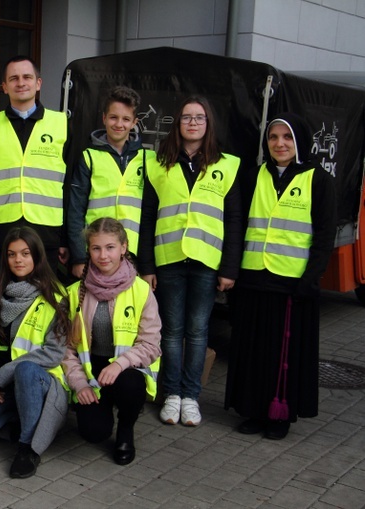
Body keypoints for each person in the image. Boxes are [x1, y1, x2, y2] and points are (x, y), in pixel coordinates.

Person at [225, 113, 336, 440]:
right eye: (273, 138)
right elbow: (239, 225)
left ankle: (279, 415)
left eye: (286, 138)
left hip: (292, 283)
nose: (279, 144)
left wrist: (311, 279)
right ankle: (253, 410)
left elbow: (325, 235)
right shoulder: (253, 176)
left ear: (298, 142)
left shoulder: (317, 179)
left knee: (283, 355)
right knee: (252, 349)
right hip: (253, 278)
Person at [138, 96, 241, 427]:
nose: (193, 123)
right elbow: (148, 216)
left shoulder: (227, 165)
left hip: (206, 263)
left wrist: (229, 268)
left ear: (208, 123)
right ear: (177, 123)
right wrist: (148, 266)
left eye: (199, 118)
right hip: (169, 260)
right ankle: (170, 394)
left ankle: (190, 397)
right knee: (170, 332)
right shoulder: (158, 163)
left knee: (198, 331)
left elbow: (235, 220)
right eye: (186, 117)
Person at [0, 226, 70, 479]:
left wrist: (3, 374)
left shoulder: (56, 296)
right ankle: (23, 415)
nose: (18, 260)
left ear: (37, 256)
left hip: (42, 382)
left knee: (25, 369)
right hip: (4, 385)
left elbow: (54, 353)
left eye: (25, 253)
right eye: (12, 254)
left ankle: (27, 448)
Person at [63, 218, 161, 465]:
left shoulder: (141, 290)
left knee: (130, 385)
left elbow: (151, 344)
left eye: (110, 247)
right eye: (96, 248)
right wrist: (79, 385)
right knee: (94, 434)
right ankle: (103, 405)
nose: (103, 255)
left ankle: (126, 430)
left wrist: (120, 364)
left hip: (126, 370)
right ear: (88, 250)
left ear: (124, 248)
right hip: (91, 373)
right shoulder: (75, 292)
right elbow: (64, 348)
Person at [0, 56, 69, 282]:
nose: (20, 83)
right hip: (0, 236)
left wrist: (67, 241)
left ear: (38, 83)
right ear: (4, 87)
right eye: (13, 78)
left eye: (27, 77)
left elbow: (70, 188)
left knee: (46, 305)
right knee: (2, 305)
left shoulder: (61, 124)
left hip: (47, 234)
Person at [67, 86, 149, 278]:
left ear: (135, 122)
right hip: (96, 253)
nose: (119, 124)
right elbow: (75, 211)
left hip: (132, 254)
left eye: (126, 119)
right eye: (113, 117)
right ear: (104, 118)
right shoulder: (89, 157)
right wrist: (79, 257)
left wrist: (148, 265)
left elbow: (151, 216)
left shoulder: (147, 159)